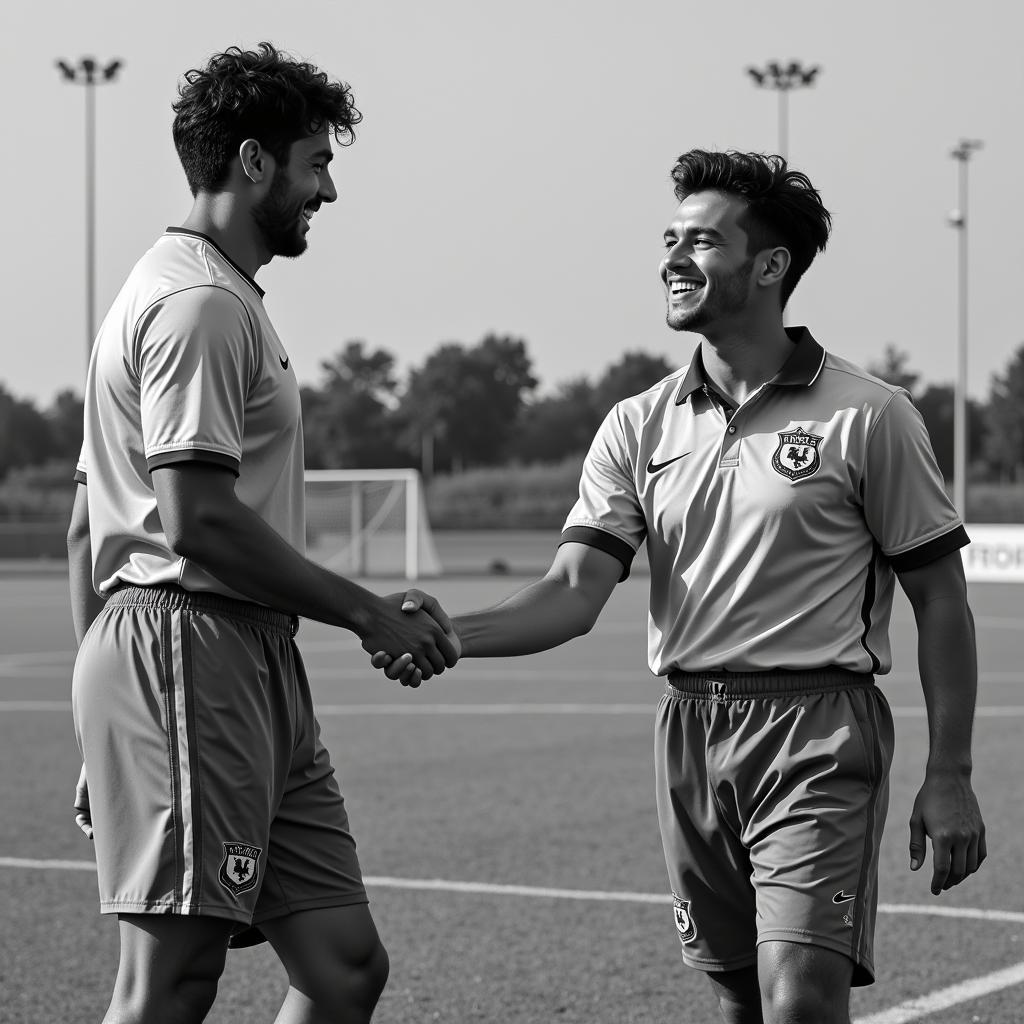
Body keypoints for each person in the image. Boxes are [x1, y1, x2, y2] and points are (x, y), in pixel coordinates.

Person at [379, 150, 987, 1024]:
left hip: (818, 734)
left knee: (800, 1002)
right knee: (740, 1002)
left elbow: (940, 599)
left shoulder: (870, 415)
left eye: (701, 242)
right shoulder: (636, 424)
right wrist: (454, 634)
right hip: (690, 732)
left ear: (770, 265)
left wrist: (952, 773)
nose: (671, 259)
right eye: (669, 239)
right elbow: (574, 590)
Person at [67, 42, 457, 1024]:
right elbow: (196, 520)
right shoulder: (198, 304)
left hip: (230, 656)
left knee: (340, 965)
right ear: (252, 162)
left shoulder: (208, 293)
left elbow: (85, 526)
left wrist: (108, 722)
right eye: (315, 162)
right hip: (188, 644)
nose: (326, 188)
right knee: (172, 976)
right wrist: (367, 611)